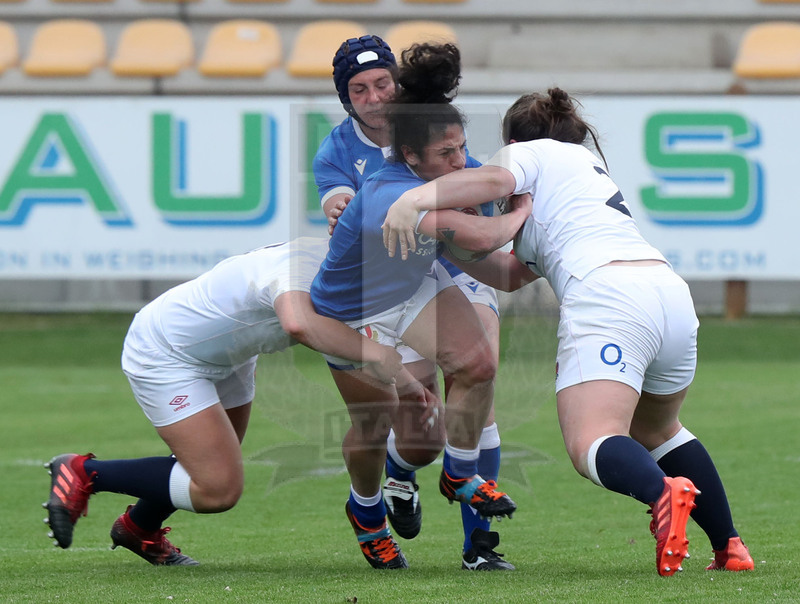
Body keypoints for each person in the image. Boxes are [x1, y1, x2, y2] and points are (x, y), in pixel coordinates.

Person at [381, 88, 755, 576]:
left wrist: (411, 201)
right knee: (657, 430)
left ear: (515, 139)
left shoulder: (530, 153)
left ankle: (664, 493)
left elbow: (491, 178)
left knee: (591, 442)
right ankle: (729, 546)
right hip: (667, 293)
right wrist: (444, 243)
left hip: (608, 296)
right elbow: (512, 275)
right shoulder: (585, 174)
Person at [42, 237, 406, 565]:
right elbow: (299, 325)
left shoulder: (348, 262)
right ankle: (84, 472)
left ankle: (138, 527)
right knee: (218, 489)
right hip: (166, 353)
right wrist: (377, 355)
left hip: (230, 354)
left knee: (204, 463)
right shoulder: (302, 267)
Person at [309, 43, 530, 570]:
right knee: (377, 426)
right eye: (448, 156)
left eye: (461, 150)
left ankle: (459, 478)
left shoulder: (427, 163)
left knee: (479, 366)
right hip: (353, 309)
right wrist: (524, 209)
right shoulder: (391, 195)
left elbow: (491, 256)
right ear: (411, 158)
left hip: (409, 286)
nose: (460, 163)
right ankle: (365, 511)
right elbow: (479, 233)